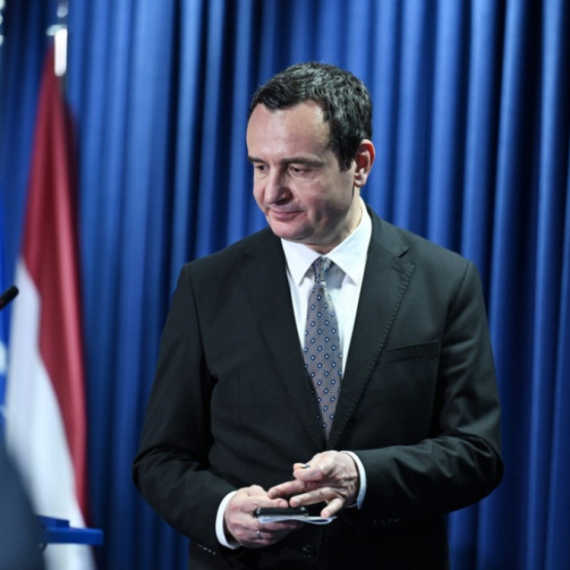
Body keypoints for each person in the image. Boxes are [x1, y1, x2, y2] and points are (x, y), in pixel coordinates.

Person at [133, 62, 502, 569]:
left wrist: (362, 475)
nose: (271, 192)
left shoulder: (445, 281)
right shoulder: (207, 285)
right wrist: (222, 512)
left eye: (297, 168)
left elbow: (476, 453)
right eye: (259, 166)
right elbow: (160, 458)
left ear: (360, 163)